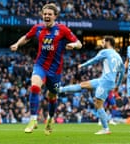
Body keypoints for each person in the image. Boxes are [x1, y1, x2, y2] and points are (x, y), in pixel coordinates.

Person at [10, 3, 82, 135]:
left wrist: (73, 45)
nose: (47, 16)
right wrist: (17, 44)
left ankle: (50, 119)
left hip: (55, 70)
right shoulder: (37, 28)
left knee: (52, 96)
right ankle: (33, 119)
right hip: (40, 65)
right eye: (45, 14)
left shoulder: (63, 29)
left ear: (55, 16)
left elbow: (79, 43)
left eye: (49, 14)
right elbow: (26, 38)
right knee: (35, 87)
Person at [61, 35, 125, 134]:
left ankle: (105, 129)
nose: (102, 43)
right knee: (83, 85)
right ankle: (60, 90)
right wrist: (117, 85)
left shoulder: (105, 52)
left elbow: (94, 60)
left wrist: (83, 65)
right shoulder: (119, 57)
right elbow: (122, 73)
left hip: (105, 82)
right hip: (105, 80)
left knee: (98, 104)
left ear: (108, 42)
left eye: (103, 41)